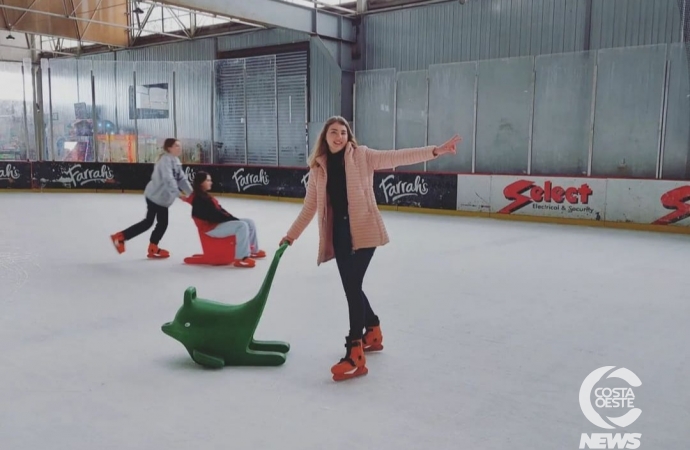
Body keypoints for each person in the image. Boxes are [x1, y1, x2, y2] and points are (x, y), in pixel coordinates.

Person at [279, 115, 460, 381]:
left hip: (364, 232)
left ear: (348, 136)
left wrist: (435, 151)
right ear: (325, 138)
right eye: (333, 132)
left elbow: (397, 156)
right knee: (352, 288)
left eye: (343, 132)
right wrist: (290, 236)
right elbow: (310, 208)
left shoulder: (362, 156)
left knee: (352, 289)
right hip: (338, 235)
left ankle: (355, 352)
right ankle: (372, 329)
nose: (338, 136)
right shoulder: (319, 170)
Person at [110, 138, 193, 259]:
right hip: (156, 197)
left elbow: (182, 179)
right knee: (154, 223)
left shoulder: (175, 160)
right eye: (176, 146)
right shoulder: (165, 161)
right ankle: (122, 237)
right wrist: (179, 194)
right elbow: (168, 179)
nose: (179, 148)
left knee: (156, 223)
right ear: (169, 148)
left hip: (161, 198)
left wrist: (193, 193)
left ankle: (148, 245)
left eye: (179, 146)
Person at [186, 171, 265, 268]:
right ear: (201, 183)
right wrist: (232, 220)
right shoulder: (199, 199)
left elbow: (219, 211)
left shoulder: (205, 196)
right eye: (208, 180)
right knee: (242, 226)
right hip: (210, 228)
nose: (211, 182)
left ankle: (253, 251)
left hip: (216, 224)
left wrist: (232, 218)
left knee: (249, 222)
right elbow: (214, 216)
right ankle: (241, 258)